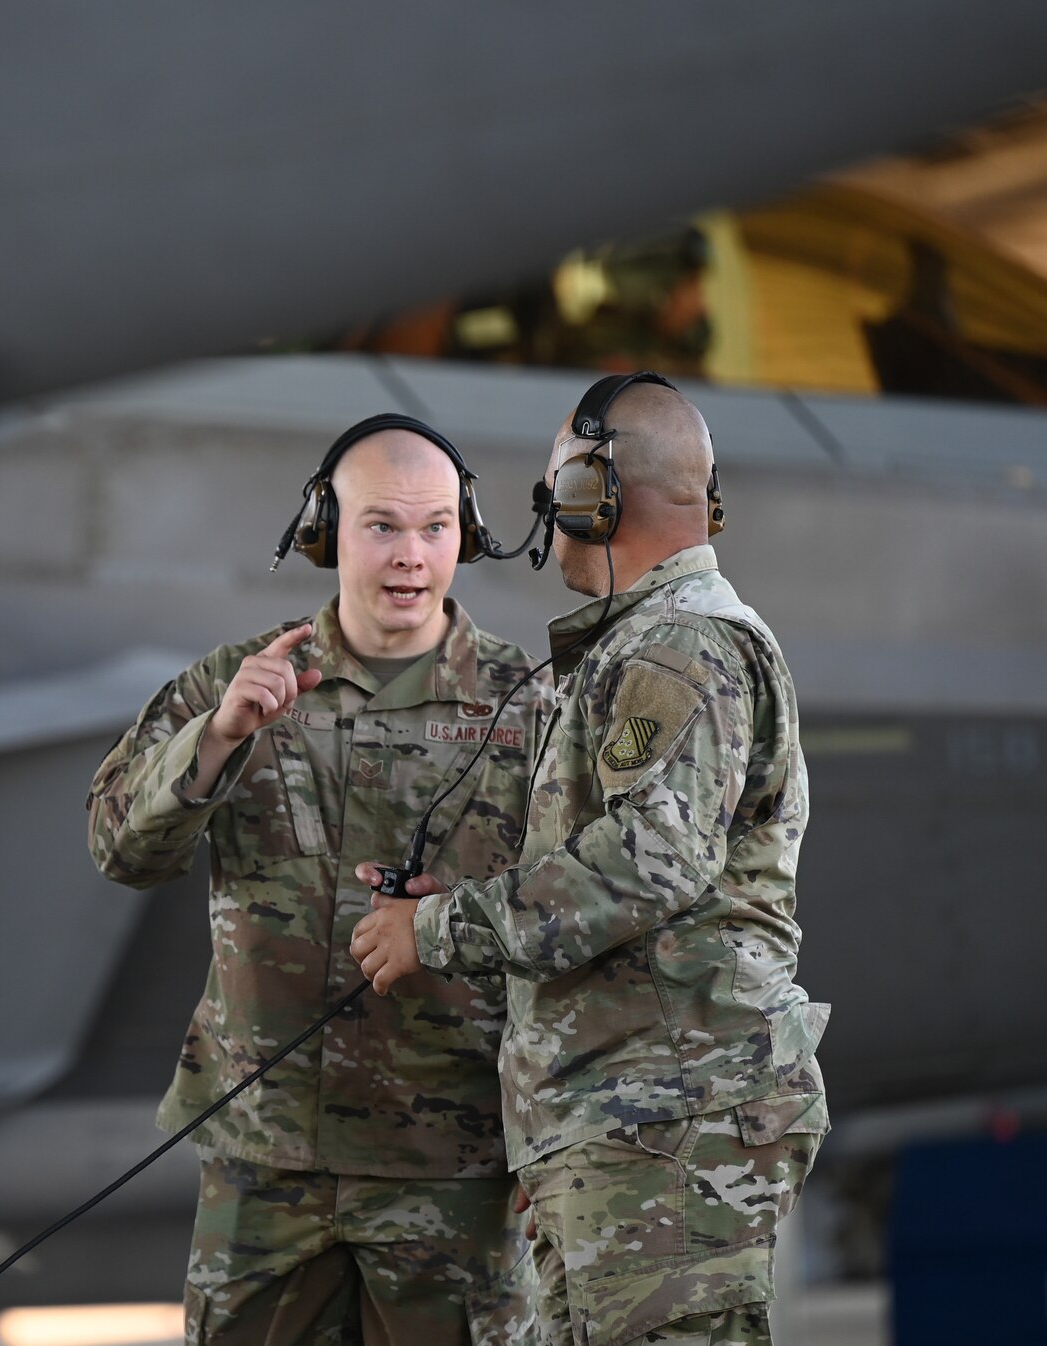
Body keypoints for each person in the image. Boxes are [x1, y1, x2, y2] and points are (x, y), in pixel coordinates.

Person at [351, 375, 829, 1346]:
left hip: (663, 1115)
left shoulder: (678, 644)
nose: (548, 521)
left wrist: (437, 927)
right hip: (620, 1119)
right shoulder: (645, 641)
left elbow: (652, 860)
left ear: (592, 493)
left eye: (551, 494)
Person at [87, 415, 552, 1344]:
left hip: (450, 1169)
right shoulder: (241, 683)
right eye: (381, 526)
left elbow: (575, 925)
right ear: (325, 531)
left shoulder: (529, 705)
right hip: (267, 1166)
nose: (411, 556)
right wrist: (217, 741)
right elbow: (120, 851)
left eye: (435, 528)